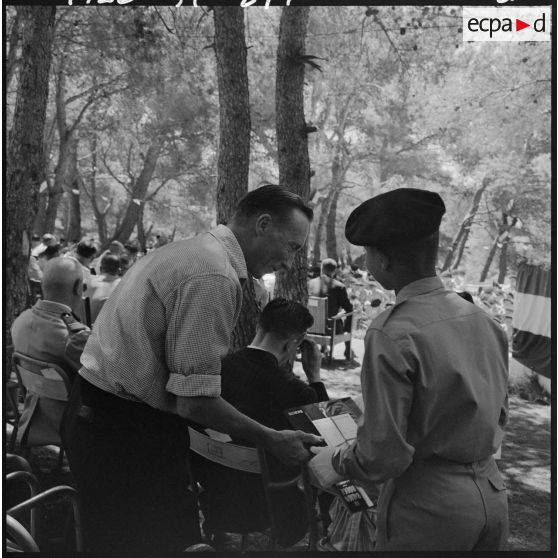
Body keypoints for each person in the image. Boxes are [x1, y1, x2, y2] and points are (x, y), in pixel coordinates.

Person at [60, 185, 323, 554]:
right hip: (122, 432)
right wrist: (272, 439)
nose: (290, 262)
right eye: (292, 247)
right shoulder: (213, 275)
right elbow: (195, 403)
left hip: (96, 413)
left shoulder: (190, 250)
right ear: (263, 224)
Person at [309, 188, 509, 551]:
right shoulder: (486, 321)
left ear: (383, 260)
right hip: (492, 495)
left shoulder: (392, 331)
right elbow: (499, 414)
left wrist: (334, 461)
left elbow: (383, 454)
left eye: (367, 252)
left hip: (429, 508)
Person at [195, 298, 327, 547]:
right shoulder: (296, 392)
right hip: (273, 509)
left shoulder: (214, 372)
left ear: (259, 326)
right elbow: (325, 440)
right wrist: (315, 378)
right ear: (292, 344)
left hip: (216, 499)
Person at [12, 257, 91, 381]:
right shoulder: (76, 337)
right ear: (77, 288)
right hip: (72, 401)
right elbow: (103, 378)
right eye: (83, 286)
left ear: (43, 284)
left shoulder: (20, 321)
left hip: (32, 399)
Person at [308, 258, 353, 360]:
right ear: (335, 271)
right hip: (331, 330)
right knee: (350, 313)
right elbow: (349, 308)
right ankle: (347, 349)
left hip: (309, 327)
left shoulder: (310, 284)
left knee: (322, 313)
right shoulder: (339, 286)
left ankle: (324, 348)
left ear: (321, 268)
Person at [88, 253, 121, 323]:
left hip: (88, 328)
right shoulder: (123, 286)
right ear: (118, 271)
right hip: (110, 330)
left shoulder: (88, 281)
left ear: (100, 268)